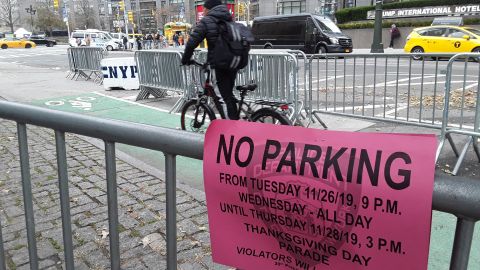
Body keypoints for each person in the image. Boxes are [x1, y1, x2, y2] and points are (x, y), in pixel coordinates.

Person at [181, 0, 239, 120]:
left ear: (209, 9)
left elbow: (192, 43)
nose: (204, 11)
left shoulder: (207, 21)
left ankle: (231, 130)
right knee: (228, 95)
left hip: (218, 64)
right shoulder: (229, 19)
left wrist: (185, 59)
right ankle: (235, 121)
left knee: (221, 97)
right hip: (233, 62)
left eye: (204, 8)